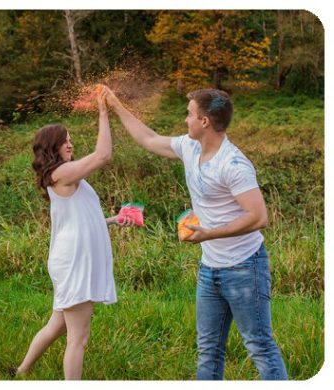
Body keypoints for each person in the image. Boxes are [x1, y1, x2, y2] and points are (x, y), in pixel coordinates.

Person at [105, 88, 287, 380]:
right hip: (209, 269)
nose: (185, 118)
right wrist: (115, 104)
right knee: (209, 349)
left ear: (204, 121)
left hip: (244, 268)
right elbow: (149, 139)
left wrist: (209, 233)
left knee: (259, 347)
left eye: (189, 113)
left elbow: (259, 217)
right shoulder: (190, 147)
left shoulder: (234, 165)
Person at [16, 88, 129, 380]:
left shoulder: (65, 174)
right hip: (74, 262)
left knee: (57, 326)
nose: (70, 143)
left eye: (70, 139)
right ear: (52, 146)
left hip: (70, 257)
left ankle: (21, 371)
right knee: (78, 338)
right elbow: (104, 154)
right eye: (65, 140)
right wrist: (104, 112)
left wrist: (114, 219)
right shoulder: (61, 175)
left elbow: (82, 222)